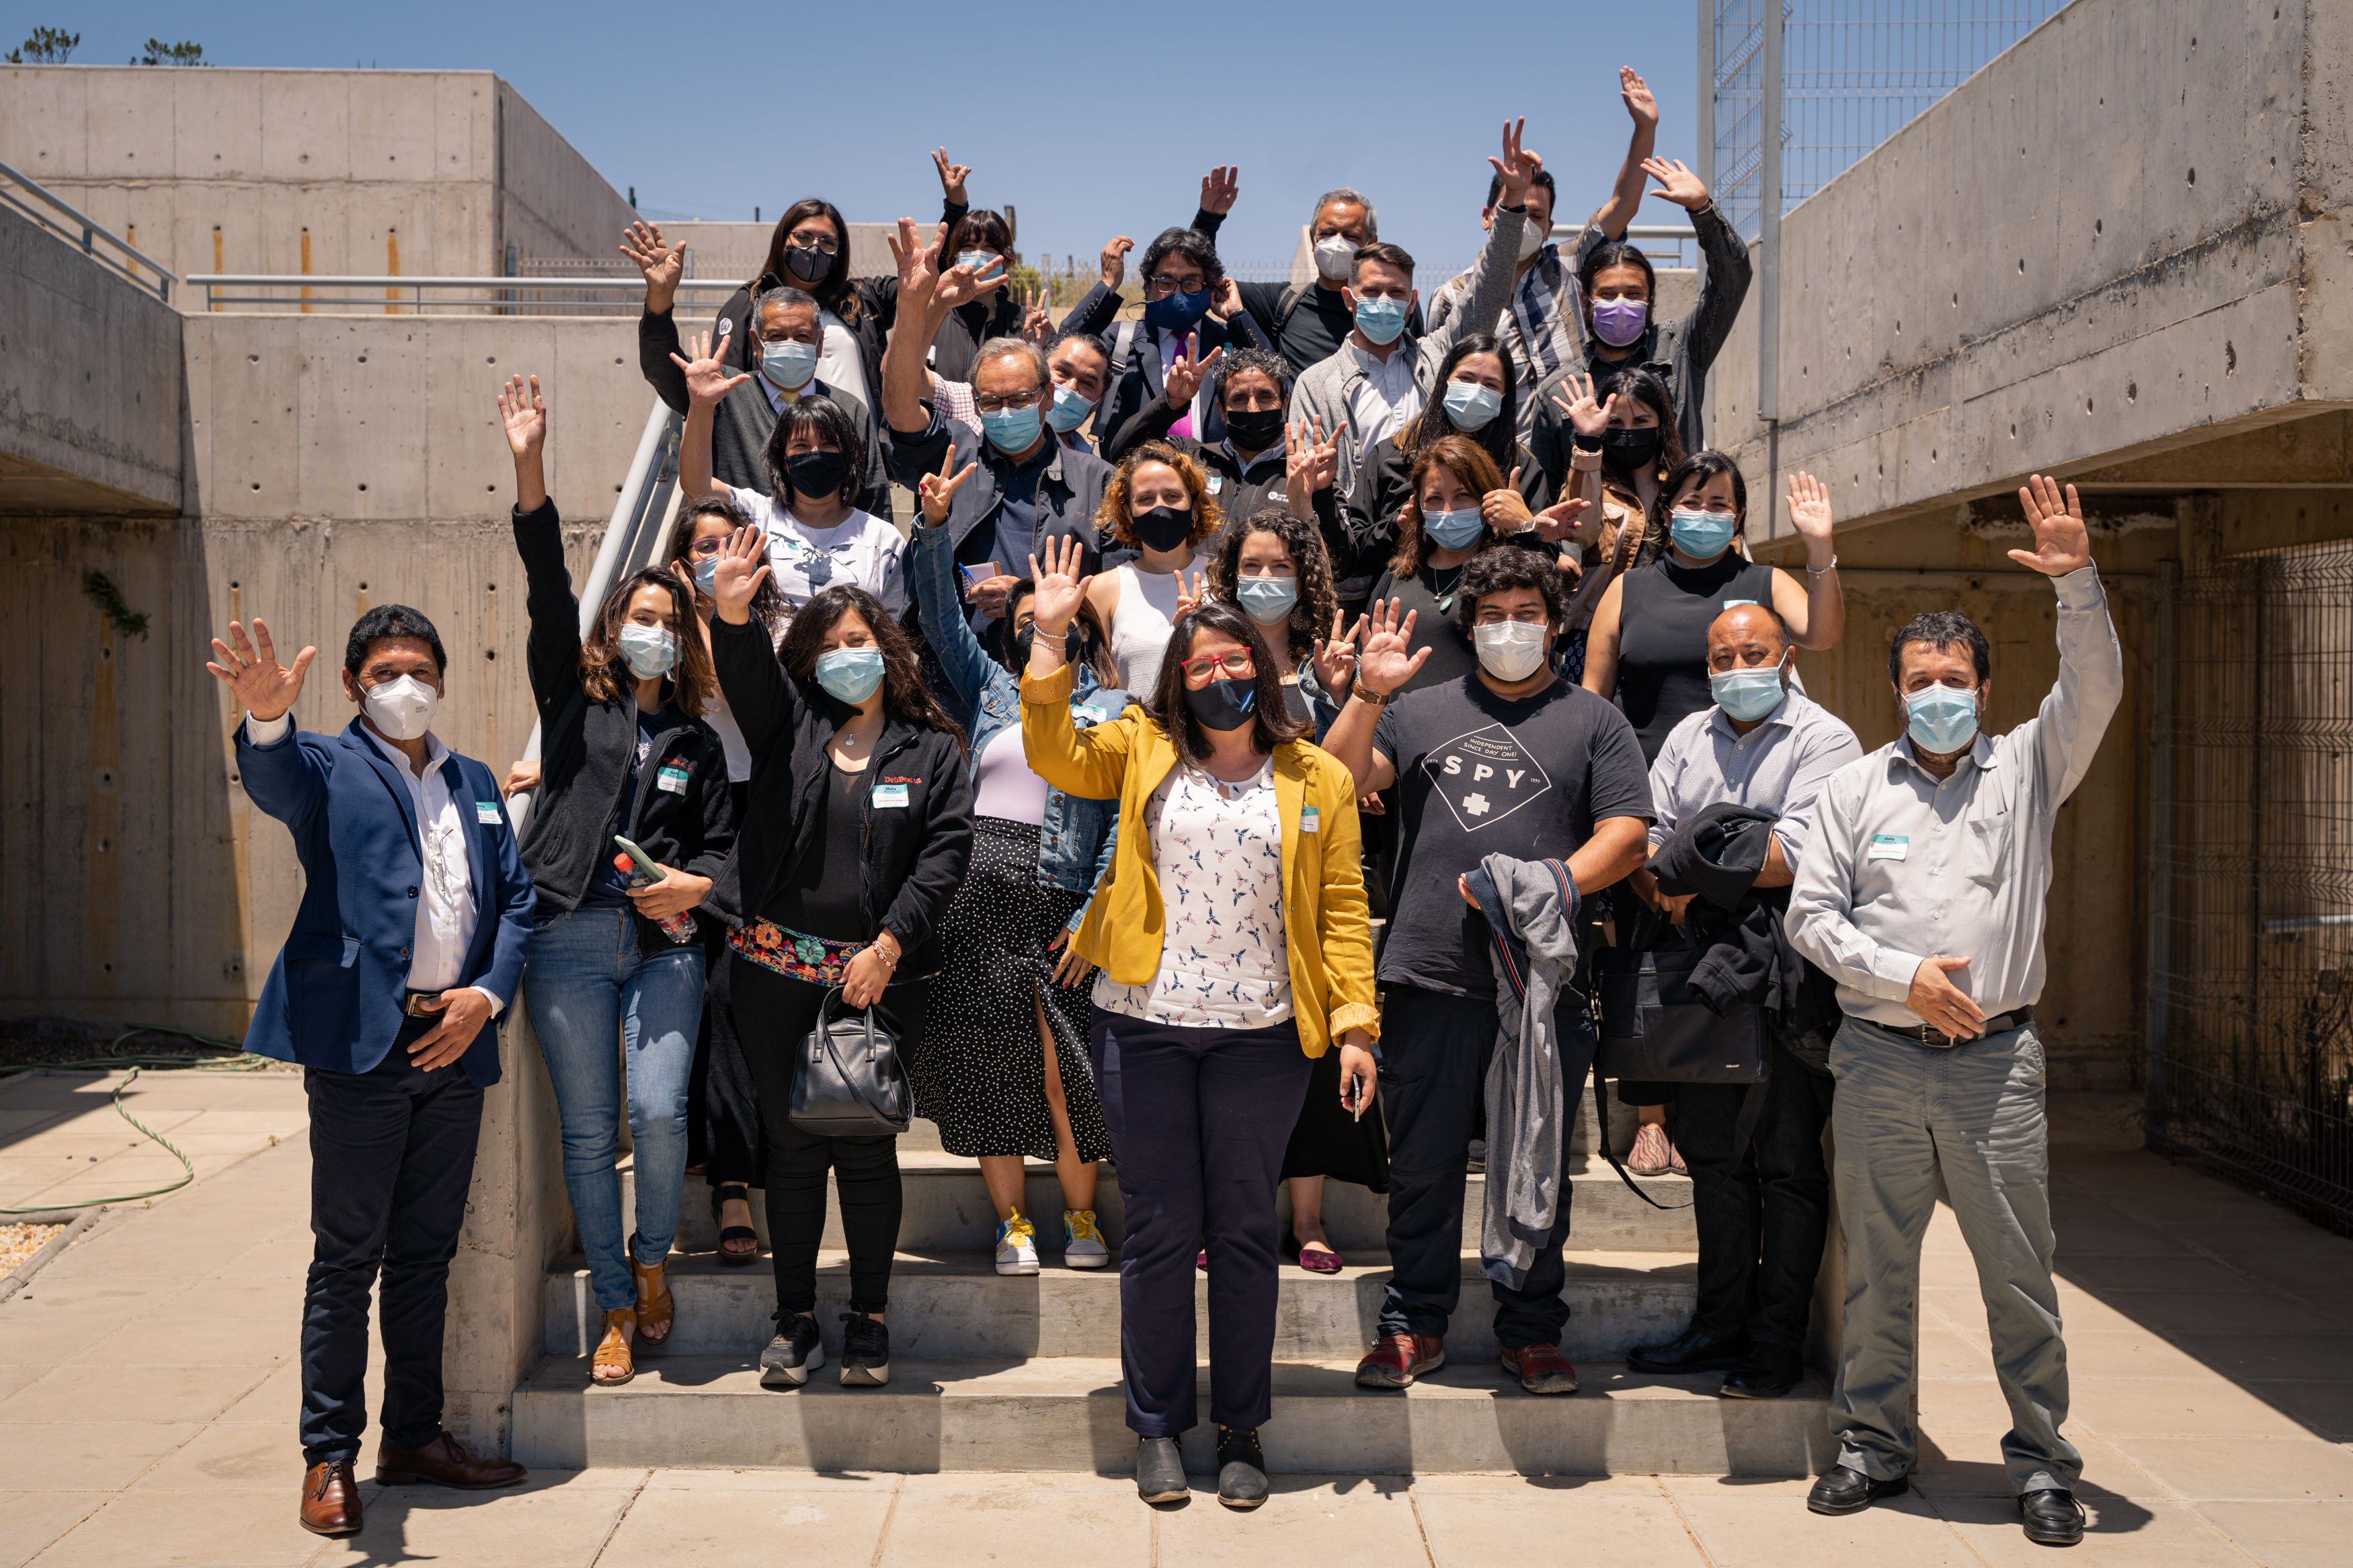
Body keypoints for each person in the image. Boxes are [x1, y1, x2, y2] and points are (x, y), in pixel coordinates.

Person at [1788, 476, 2120, 1548]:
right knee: (1879, 1271)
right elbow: (1813, 919)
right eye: (1922, 678)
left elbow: (2099, 687)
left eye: (1957, 678)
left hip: (1995, 1065)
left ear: (1986, 689)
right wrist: (1902, 976)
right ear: (1895, 689)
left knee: (2018, 1274)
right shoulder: (1853, 792)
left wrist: (2077, 582)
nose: (1940, 692)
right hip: (1879, 1058)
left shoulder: (2029, 766)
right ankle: (1873, 1447)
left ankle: (2042, 1465)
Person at [1019, 538, 1379, 1508]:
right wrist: (1051, 635)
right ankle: (1157, 1429)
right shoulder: (1141, 745)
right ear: (1176, 680)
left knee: (1248, 1233)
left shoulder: (1318, 778)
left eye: (1234, 661)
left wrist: (1353, 1024)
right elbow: (1052, 749)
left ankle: (1242, 1427)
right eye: (1199, 665)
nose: (1219, 676)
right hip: (1144, 1026)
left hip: (1263, 1036)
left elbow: (1342, 906)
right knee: (1161, 1235)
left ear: (1259, 670)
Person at [210, 606, 533, 1538]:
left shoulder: (471, 780)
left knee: (426, 1258)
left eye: (422, 669)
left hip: (456, 1040)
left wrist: (486, 995)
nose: (407, 684)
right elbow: (273, 781)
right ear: (355, 683)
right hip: (363, 1045)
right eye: (388, 670)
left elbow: (513, 900)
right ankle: (329, 1457)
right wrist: (266, 719)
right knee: (347, 1259)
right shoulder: (325, 764)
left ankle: (416, 1437)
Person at [1321, 546, 1652, 1397]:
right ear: (1470, 627)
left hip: (1542, 986)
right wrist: (1367, 694)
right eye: (1493, 614)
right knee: (1424, 1163)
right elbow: (1335, 785)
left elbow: (1627, 833)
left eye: (1526, 612)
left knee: (1535, 1156)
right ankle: (1412, 1322)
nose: (1510, 627)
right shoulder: (1420, 710)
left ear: (1554, 622)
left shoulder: (1593, 721)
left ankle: (1530, 1327)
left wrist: (1549, 884)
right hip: (1428, 974)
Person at [501, 374, 737, 1389]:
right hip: (567, 938)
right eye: (638, 615)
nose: (650, 629)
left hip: (667, 948)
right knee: (590, 1132)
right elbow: (549, 587)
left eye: (666, 620)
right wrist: (530, 467)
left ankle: (651, 1259)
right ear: (615, 631)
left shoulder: (695, 738)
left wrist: (691, 886)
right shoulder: (574, 700)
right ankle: (612, 1301)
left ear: (683, 640)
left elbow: (726, 852)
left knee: (656, 1113)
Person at [706, 532, 975, 1392]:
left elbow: (945, 854)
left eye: (858, 641)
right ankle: (793, 1316)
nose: (844, 656)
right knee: (787, 1147)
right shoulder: (789, 725)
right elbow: (746, 672)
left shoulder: (929, 751)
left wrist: (889, 945)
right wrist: (735, 613)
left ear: (887, 651)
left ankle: (868, 1314)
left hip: (878, 977)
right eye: (826, 646)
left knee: (864, 1150)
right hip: (772, 974)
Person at [1618, 602, 1861, 1395]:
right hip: (1702, 980)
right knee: (1714, 1159)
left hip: (1788, 982)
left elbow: (1791, 853)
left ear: (1784, 655)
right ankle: (1717, 1324)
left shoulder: (1824, 740)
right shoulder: (1688, 735)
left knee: (1787, 1161)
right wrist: (1701, 854)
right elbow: (1648, 842)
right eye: (1721, 658)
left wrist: (1693, 865)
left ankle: (1776, 1340)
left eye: (1750, 652)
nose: (1734, 669)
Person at [1582, 454, 1843, 1176]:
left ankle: (1722, 1094)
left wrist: (1819, 547)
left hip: (1744, 780)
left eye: (1721, 501)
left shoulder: (1763, 583)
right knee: (1647, 951)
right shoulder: (1628, 588)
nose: (1705, 512)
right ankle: (1651, 1115)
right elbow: (1594, 692)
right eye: (1692, 499)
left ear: (1737, 515)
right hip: (1648, 786)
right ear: (1667, 510)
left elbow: (1819, 633)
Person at [908, 448, 1132, 1274]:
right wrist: (932, 530)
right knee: (989, 1055)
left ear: (1085, 626)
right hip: (978, 887)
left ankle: (1079, 1218)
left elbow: (1119, 823)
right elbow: (936, 617)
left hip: (1062, 894)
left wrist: (1089, 914)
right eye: (1036, 616)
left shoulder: (1117, 708)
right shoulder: (993, 691)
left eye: (1065, 615)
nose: (1050, 623)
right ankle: (1014, 1224)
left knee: (1064, 1063)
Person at [1191, 509, 1382, 1267]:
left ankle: (1308, 1221)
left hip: (1305, 893)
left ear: (1303, 578)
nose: (1263, 580)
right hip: (1215, 900)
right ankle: (1223, 1217)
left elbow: (1349, 777)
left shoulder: (1325, 662)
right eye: (1251, 566)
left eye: (1279, 567)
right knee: (1221, 1077)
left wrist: (1343, 694)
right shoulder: (1204, 653)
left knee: (1306, 1064)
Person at [1287, 120, 1544, 526]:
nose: (1384, 302)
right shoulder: (1316, 385)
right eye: (1371, 293)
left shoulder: (1441, 356)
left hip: (1445, 541)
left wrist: (1512, 203)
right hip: (1361, 556)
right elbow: (1305, 485)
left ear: (1413, 303)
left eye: (1396, 293)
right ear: (1349, 300)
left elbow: (1489, 288)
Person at [881, 218, 1114, 636]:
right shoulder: (954, 454)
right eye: (992, 401)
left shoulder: (1098, 482)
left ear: (1046, 397)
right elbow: (900, 406)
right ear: (975, 402)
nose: (1006, 411)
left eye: (1020, 399)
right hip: (951, 674)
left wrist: (1026, 599)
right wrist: (915, 305)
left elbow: (1121, 588)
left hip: (1055, 670)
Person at [666, 497, 789, 1264]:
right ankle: (731, 1181)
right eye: (701, 546)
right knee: (709, 988)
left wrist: (732, 613)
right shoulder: (665, 635)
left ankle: (758, 1149)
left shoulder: (776, 629)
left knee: (750, 988)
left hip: (765, 815)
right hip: (689, 816)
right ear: (681, 563)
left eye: (728, 539)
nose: (716, 553)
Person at [628, 148, 973, 417]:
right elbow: (690, 382)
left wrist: (955, 208)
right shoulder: (749, 304)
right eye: (804, 237)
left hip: (857, 461)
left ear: (840, 252)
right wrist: (660, 299)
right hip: (776, 468)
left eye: (827, 242)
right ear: (783, 240)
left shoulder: (861, 299)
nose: (814, 249)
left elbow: (930, 270)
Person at [1427, 70, 1662, 441]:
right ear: (1489, 217)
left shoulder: (1572, 265)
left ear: (1550, 228)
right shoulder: (1452, 298)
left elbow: (1623, 204)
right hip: (1501, 456)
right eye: (1515, 208)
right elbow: (1440, 383)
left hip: (1575, 442)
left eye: (1536, 216)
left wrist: (1644, 129)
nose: (1525, 223)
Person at [1528, 154, 1750, 462]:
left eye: (1633, 293)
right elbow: (1546, 489)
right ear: (1585, 301)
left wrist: (1703, 210)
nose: (1620, 303)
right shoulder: (1559, 391)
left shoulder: (1681, 349)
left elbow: (1732, 282)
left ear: (1651, 299)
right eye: (1607, 294)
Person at [677, 329, 906, 621]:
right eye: (800, 446)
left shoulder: (883, 539)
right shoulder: (757, 516)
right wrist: (701, 406)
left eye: (828, 445)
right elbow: (697, 489)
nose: (814, 453)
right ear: (783, 462)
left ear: (847, 457)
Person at [1343, 333, 1561, 604]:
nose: (1477, 391)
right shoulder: (1393, 455)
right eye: (1466, 379)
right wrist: (1398, 526)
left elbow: (1547, 565)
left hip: (1493, 611)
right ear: (1445, 381)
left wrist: (1522, 527)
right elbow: (1348, 554)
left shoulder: (1519, 466)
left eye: (1491, 384)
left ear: (1505, 396)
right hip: (1401, 605)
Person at [1363, 436, 1576, 697]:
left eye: (1463, 495)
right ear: (1418, 504)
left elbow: (1537, 617)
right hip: (1396, 731)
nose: (1448, 510)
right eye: (1434, 498)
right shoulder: (1397, 575)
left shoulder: (1506, 576)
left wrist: (1524, 530)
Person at [659, 282, 890, 510]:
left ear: (819, 344)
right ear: (755, 342)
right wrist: (659, 300)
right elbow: (660, 366)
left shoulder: (850, 411)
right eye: (776, 336)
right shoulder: (722, 392)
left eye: (802, 336)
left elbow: (874, 502)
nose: (790, 345)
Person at [1058, 225, 1274, 456]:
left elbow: (1277, 380)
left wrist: (1237, 315)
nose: (1177, 293)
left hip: (1213, 483)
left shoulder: (1229, 340)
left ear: (1208, 289)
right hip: (1133, 482)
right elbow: (1063, 346)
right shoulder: (1120, 339)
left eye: (1190, 283)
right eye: (1166, 281)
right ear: (1148, 286)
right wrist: (1108, 284)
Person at [1086, 442, 1223, 693]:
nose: (1160, 507)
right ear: (1128, 512)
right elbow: (1095, 683)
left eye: (1172, 496)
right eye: (1146, 499)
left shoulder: (1221, 578)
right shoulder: (1104, 589)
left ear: (1193, 506)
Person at [925, 206, 1025, 384]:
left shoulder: (1028, 323)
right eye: (969, 247)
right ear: (954, 258)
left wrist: (1037, 346)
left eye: (988, 248)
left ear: (1006, 259)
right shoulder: (934, 316)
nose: (978, 255)